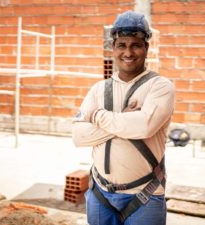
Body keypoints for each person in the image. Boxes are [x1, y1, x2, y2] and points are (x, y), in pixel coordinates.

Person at [72, 10, 175, 225]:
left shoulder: (160, 87)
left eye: (136, 45)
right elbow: (79, 137)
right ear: (113, 48)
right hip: (100, 195)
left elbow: (145, 126)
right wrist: (125, 121)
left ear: (146, 48)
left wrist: (98, 115)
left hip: (144, 196)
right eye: (122, 45)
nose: (128, 52)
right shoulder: (98, 89)